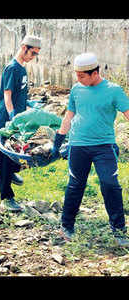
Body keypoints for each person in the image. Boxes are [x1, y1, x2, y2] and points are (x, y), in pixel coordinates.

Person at [51, 52, 129, 246]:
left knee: (110, 184)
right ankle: (66, 226)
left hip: (104, 146)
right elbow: (69, 116)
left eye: (81, 75)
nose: (77, 79)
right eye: (76, 74)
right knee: (75, 185)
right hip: (78, 145)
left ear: (95, 73)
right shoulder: (77, 90)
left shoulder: (114, 90)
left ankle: (119, 230)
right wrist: (58, 140)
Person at [0, 35, 41, 211]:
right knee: (4, 157)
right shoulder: (12, 68)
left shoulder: (22, 69)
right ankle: (6, 198)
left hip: (17, 118)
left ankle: (10, 171)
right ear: (24, 47)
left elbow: (20, 95)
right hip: (6, 119)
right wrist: (13, 118)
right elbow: (7, 97)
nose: (33, 57)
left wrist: (31, 105)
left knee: (17, 153)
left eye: (36, 54)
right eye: (33, 53)